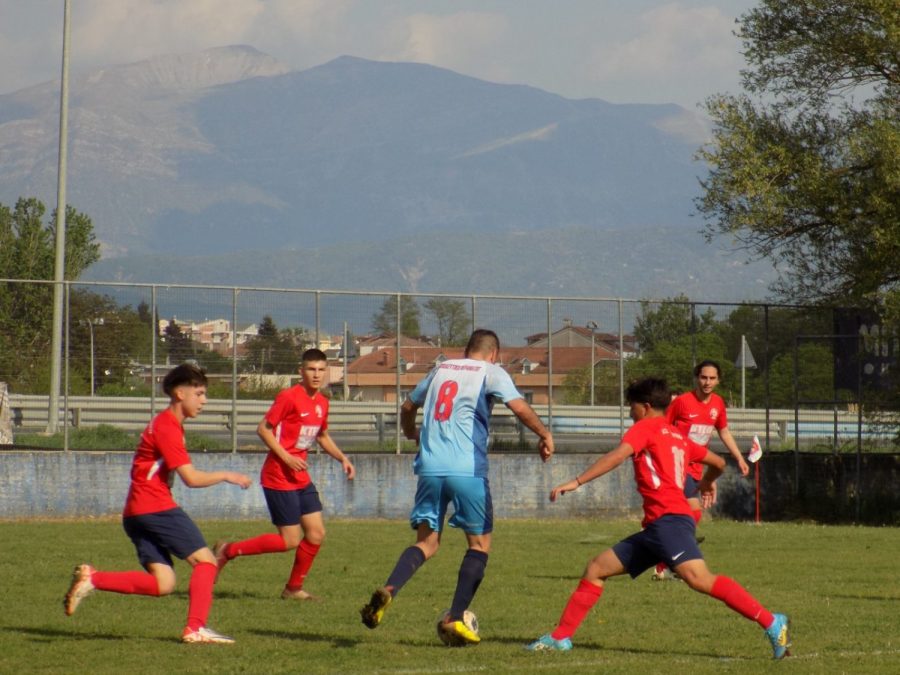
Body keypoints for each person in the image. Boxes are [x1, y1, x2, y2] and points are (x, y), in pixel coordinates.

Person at [526, 377, 790, 659]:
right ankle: (561, 637)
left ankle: (772, 622)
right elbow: (719, 462)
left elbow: (617, 456)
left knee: (698, 578)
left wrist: (576, 482)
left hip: (668, 521)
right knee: (596, 568)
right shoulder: (677, 435)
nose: (629, 413)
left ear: (646, 407)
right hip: (660, 525)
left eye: (632, 407)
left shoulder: (645, 428)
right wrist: (707, 483)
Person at [359, 329, 555, 645]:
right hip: (467, 470)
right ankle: (455, 617)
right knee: (478, 546)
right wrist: (544, 434)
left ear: (467, 350)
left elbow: (408, 407)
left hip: (430, 469)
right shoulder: (491, 372)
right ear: (495, 353)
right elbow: (519, 407)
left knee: (427, 542)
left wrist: (411, 434)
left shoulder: (441, 369)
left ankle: (389, 590)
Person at [63, 363, 252, 644]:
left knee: (163, 583)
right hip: (155, 506)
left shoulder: (165, 424)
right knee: (206, 561)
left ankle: (93, 578)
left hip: (136, 512)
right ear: (179, 393)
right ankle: (195, 628)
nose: (204, 400)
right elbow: (191, 478)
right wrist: (227, 474)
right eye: (198, 393)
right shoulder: (168, 427)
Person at [213, 348, 355, 601]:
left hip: (301, 478)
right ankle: (227, 550)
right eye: (311, 369)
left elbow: (321, 435)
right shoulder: (288, 397)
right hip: (278, 476)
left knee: (316, 534)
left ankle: (293, 589)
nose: (316, 374)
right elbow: (263, 429)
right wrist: (287, 457)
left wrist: (342, 458)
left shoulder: (322, 402)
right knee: (289, 540)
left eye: (321, 370)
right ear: (301, 371)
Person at [659, 359, 749, 571]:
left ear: (718, 380)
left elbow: (723, 431)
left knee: (689, 514)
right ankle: (678, 555)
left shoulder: (718, 404)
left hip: (697, 466)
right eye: (703, 377)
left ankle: (668, 558)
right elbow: (662, 426)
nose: (707, 382)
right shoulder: (682, 402)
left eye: (712, 378)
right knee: (692, 510)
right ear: (696, 378)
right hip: (677, 464)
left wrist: (739, 458)